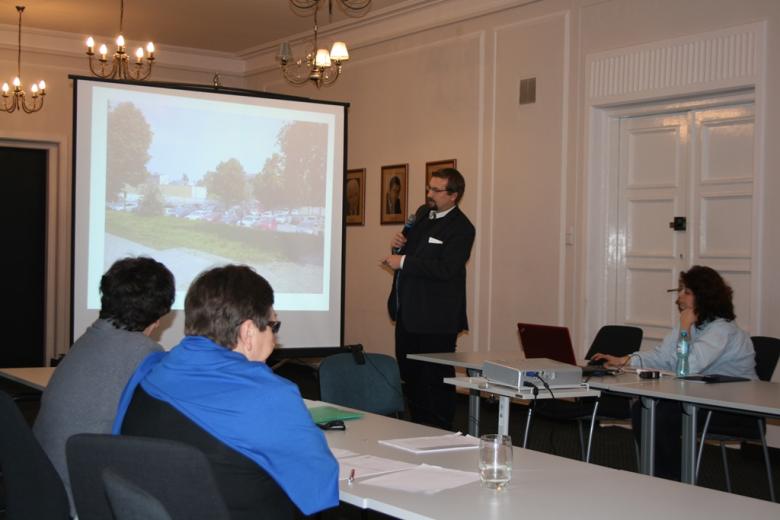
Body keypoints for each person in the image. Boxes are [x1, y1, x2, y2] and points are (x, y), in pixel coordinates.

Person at [114, 265, 338, 519]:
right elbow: (318, 483)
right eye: (273, 326)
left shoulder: (148, 374)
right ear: (248, 332)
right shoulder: (268, 396)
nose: (274, 340)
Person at [34, 256, 175, 509]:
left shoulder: (89, 338)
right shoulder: (145, 354)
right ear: (160, 315)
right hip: (81, 500)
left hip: (44, 487)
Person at [593, 265, 757, 480]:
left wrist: (684, 328)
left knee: (662, 415)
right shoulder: (693, 325)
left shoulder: (722, 330)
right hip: (702, 400)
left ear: (705, 297)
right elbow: (662, 357)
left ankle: (671, 480)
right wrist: (625, 360)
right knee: (645, 410)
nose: (679, 296)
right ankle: (654, 476)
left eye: (687, 292)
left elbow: (686, 367)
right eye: (681, 290)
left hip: (734, 409)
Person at [384, 167, 475, 429]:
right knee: (411, 379)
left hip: (436, 319)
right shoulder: (423, 214)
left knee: (434, 381)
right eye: (429, 188)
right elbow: (410, 253)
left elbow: (447, 269)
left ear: (453, 195)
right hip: (408, 313)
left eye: (436, 190)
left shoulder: (463, 228)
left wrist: (403, 260)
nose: (429, 194)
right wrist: (398, 246)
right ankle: (417, 430)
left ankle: (441, 432)